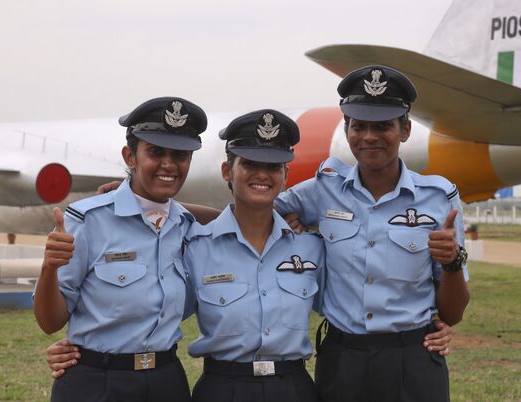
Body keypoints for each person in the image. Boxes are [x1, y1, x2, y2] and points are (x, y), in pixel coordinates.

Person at [275, 65, 470, 402]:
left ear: (405, 130)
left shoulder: (439, 200)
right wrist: (293, 227)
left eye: (383, 127)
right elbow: (258, 211)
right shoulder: (324, 190)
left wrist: (451, 262)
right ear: (347, 129)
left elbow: (453, 313)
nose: (369, 137)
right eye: (359, 126)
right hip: (342, 359)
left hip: (413, 358)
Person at [33, 97, 208, 402]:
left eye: (180, 155)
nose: (169, 164)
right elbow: (50, 322)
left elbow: (236, 218)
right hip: (97, 383)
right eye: (155, 152)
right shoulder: (87, 221)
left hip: (166, 381)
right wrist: (49, 267)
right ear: (130, 156)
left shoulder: (188, 226)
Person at [185, 110, 324, 402]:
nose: (262, 174)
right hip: (222, 389)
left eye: (274, 166)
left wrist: (428, 328)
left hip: (294, 389)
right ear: (227, 171)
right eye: (249, 163)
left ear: (286, 175)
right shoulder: (196, 248)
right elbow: (152, 315)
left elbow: (351, 307)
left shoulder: (311, 247)